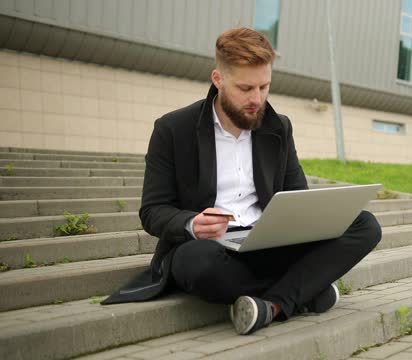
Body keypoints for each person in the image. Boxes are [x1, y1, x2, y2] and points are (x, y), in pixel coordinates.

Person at [102, 27, 381, 335]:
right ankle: (305, 289)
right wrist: (192, 223)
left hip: (269, 243)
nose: (257, 99)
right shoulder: (172, 129)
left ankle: (272, 305)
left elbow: (297, 195)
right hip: (211, 250)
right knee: (195, 264)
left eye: (264, 87)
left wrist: (304, 222)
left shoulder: (278, 127)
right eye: (246, 88)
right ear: (218, 80)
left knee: (365, 225)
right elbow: (153, 210)